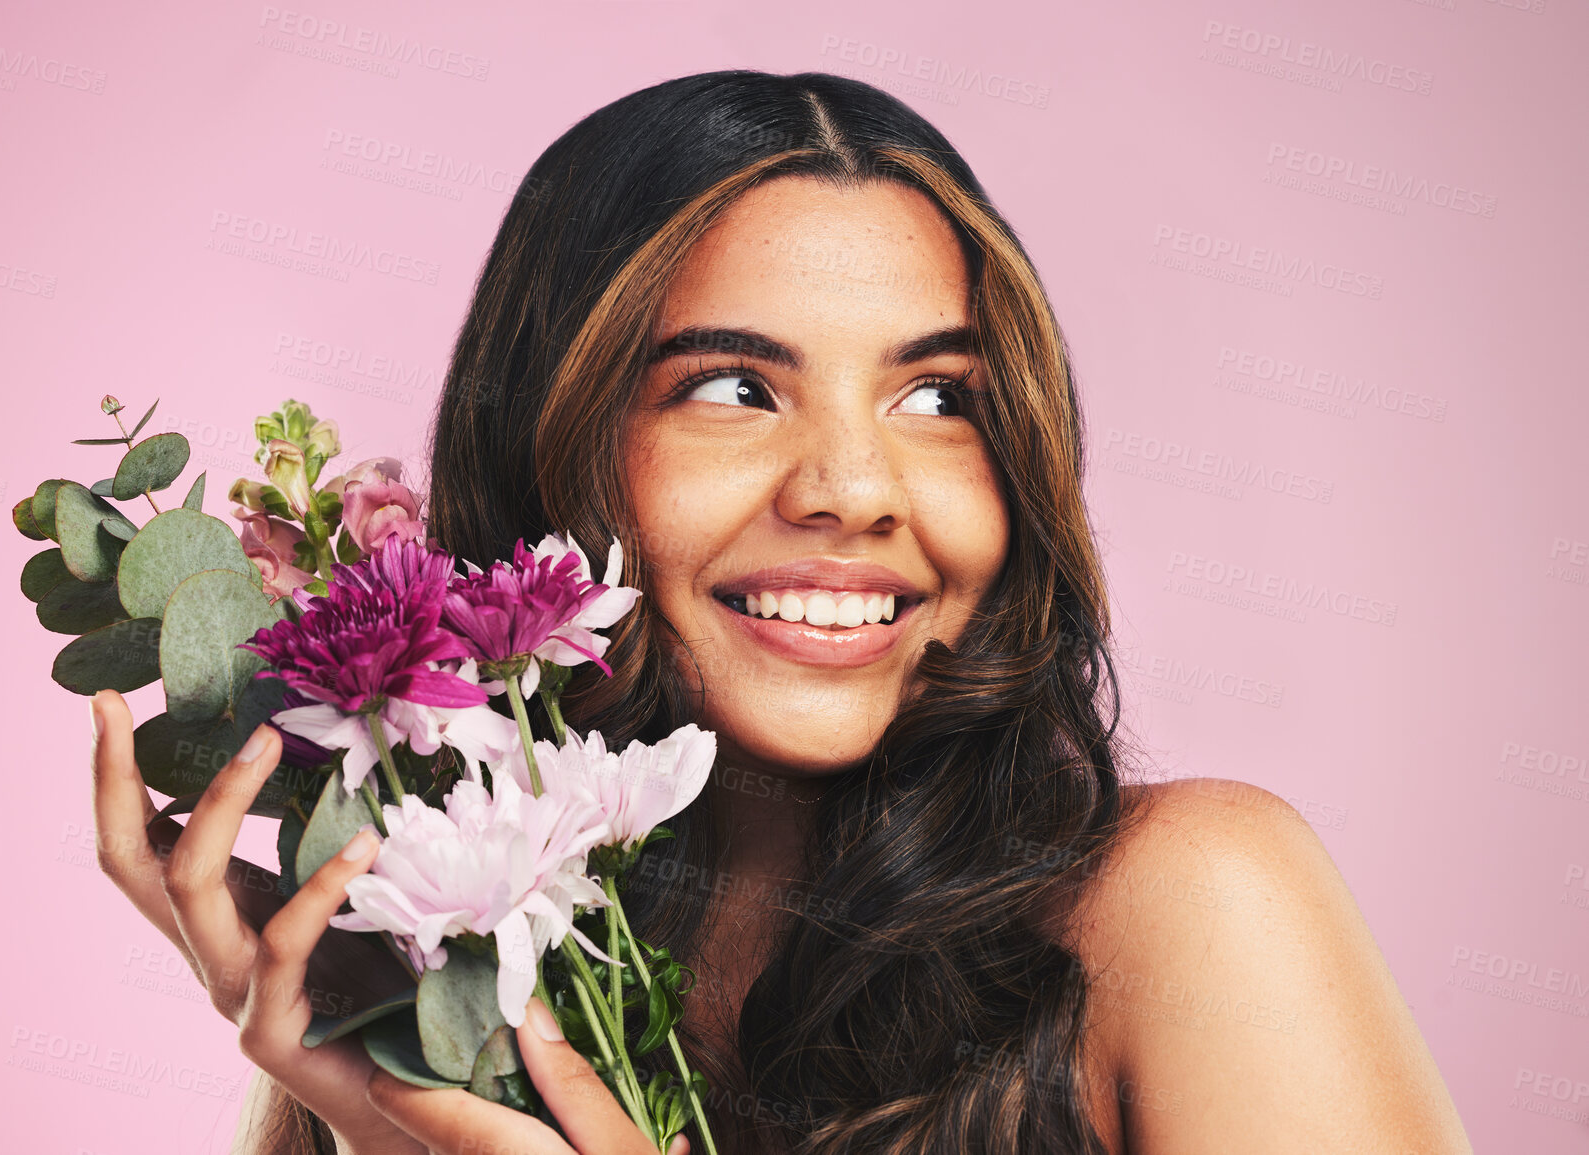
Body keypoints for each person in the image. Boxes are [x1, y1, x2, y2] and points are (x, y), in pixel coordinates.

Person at [88, 70, 1473, 1154]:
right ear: (547, 442)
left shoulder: (1185, 908)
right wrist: (380, 1121)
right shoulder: (510, 980)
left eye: (940, 399)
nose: (857, 488)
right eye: (733, 388)